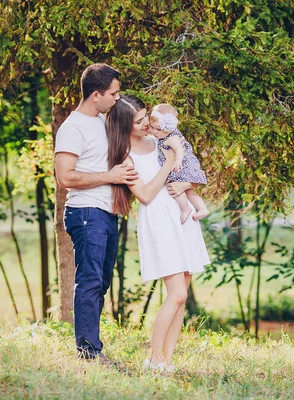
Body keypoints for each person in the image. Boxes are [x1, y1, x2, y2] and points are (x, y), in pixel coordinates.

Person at [106, 94, 211, 373]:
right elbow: (145, 195)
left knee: (183, 293)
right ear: (124, 124)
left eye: (145, 117)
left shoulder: (161, 140)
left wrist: (184, 184)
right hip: (159, 221)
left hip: (182, 215)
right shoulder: (124, 156)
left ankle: (166, 360)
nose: (145, 124)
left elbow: (187, 172)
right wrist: (167, 165)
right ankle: (152, 358)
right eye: (139, 121)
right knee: (175, 294)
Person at [55, 63, 139, 365]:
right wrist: (111, 176)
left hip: (105, 213)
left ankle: (92, 346)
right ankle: (89, 352)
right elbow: (66, 178)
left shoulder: (103, 122)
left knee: (100, 282)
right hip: (86, 212)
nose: (117, 98)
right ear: (95, 95)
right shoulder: (73, 128)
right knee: (90, 281)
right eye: (113, 93)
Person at [149, 103, 210, 224]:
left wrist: (177, 161)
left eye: (158, 129)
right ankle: (203, 209)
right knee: (190, 194)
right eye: (152, 127)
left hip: (182, 167)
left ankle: (185, 209)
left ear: (169, 128)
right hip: (185, 166)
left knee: (175, 189)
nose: (154, 132)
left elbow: (179, 149)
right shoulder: (164, 135)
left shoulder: (171, 138)